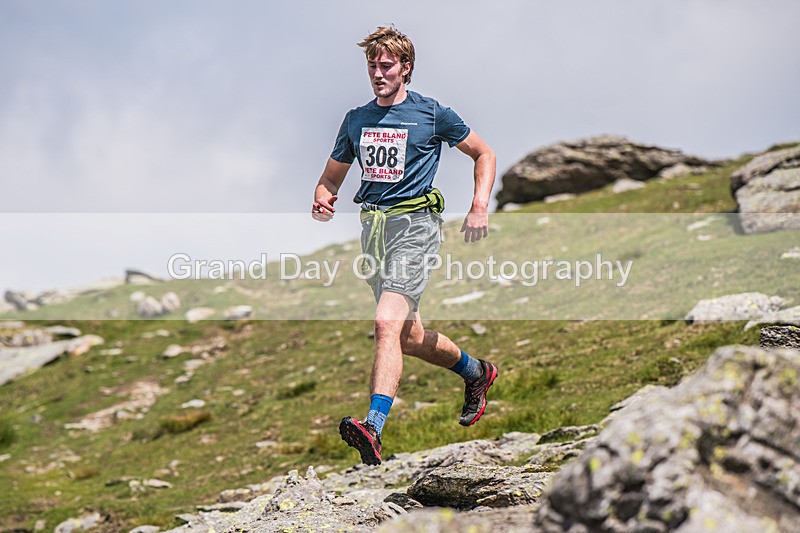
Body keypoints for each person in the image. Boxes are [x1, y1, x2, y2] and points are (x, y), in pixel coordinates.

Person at [311, 26, 498, 466]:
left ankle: (373, 427)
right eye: (372, 66)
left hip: (416, 226)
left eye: (386, 65)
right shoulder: (356, 120)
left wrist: (478, 204)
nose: (378, 73)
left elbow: (484, 153)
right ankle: (476, 372)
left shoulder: (431, 113)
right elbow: (330, 178)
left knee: (384, 322)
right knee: (408, 336)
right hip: (375, 233)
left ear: (405, 68)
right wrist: (322, 196)